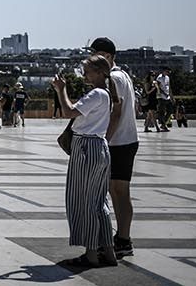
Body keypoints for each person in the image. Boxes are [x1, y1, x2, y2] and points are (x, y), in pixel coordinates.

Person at [51, 54, 116, 269]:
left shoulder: (96, 94)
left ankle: (91, 254)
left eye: (87, 71)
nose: (84, 74)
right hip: (99, 146)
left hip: (85, 148)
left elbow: (68, 112)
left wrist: (61, 90)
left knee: (84, 201)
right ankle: (108, 250)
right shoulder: (106, 94)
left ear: (99, 73)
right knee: (99, 201)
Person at [89, 37, 139, 260]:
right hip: (126, 140)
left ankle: (123, 239)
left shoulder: (114, 79)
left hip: (118, 142)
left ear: (108, 57)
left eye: (97, 56)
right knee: (118, 191)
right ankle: (122, 239)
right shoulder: (124, 75)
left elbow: (115, 113)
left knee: (118, 191)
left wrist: (104, 140)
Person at [155, 67, 172, 132]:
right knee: (162, 112)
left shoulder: (167, 78)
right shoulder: (159, 78)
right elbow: (158, 87)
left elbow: (169, 87)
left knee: (170, 110)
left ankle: (163, 123)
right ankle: (163, 125)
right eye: (167, 72)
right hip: (161, 97)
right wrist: (164, 93)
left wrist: (171, 96)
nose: (168, 73)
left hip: (167, 96)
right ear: (164, 71)